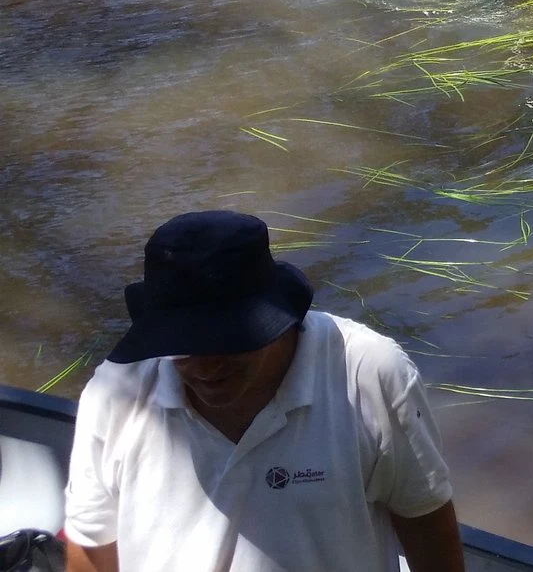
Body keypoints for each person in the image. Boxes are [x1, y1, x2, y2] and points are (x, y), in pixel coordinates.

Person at [61, 211, 464, 572]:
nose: (203, 366)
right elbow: (91, 547)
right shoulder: (115, 394)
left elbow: (425, 521)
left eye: (225, 341)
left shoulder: (367, 373)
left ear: (276, 319)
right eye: (180, 345)